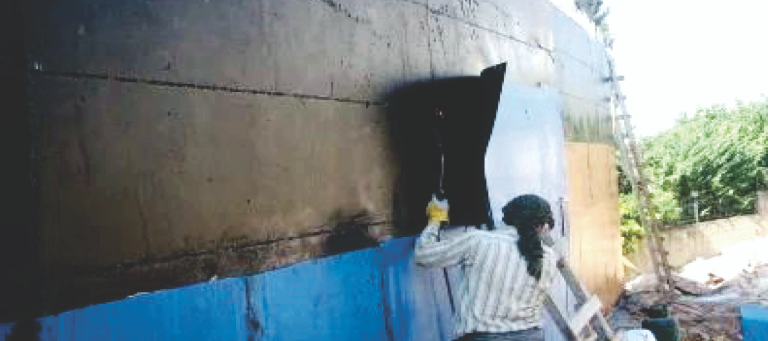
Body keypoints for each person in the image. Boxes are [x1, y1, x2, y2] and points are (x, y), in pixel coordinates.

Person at [414, 194, 558, 341]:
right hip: (532, 336)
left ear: (507, 218)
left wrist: (435, 219)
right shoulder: (549, 256)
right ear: (542, 226)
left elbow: (424, 255)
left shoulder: (479, 241)